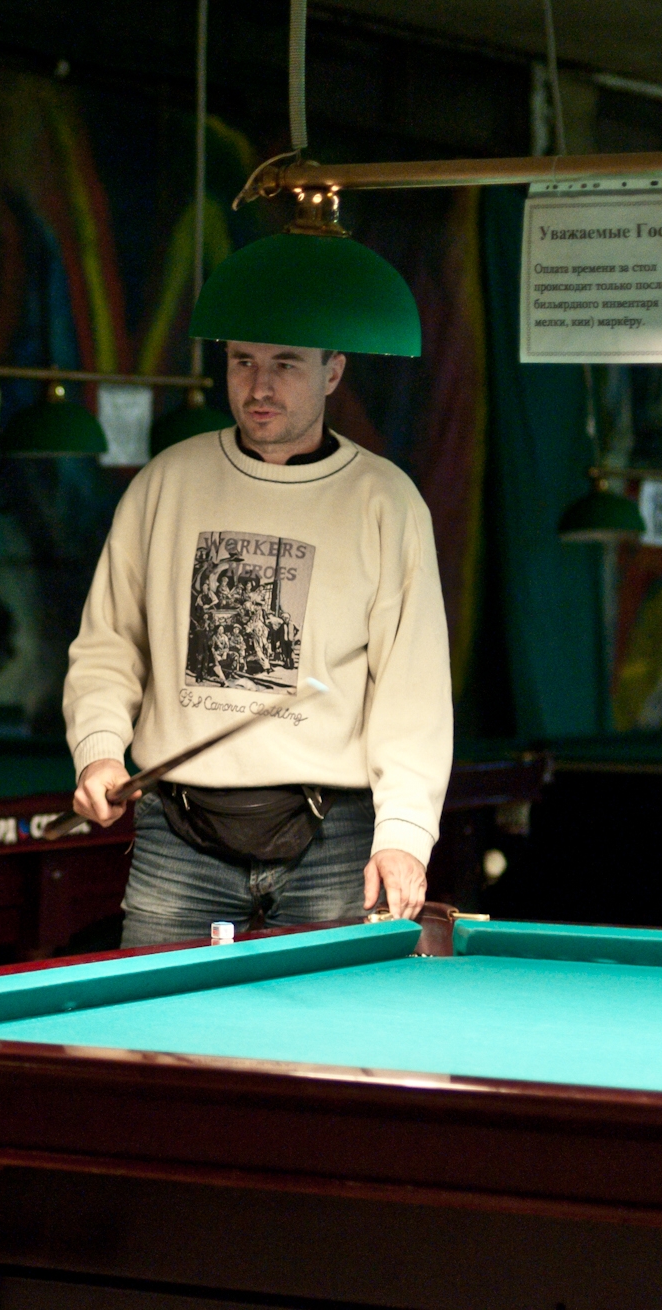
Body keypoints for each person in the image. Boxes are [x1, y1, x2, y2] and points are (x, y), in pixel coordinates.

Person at [64, 342, 452, 942]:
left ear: (333, 371)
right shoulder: (167, 481)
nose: (260, 386)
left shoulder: (385, 499)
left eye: (285, 365)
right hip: (179, 832)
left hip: (332, 831)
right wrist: (99, 752)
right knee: (157, 1005)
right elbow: (108, 646)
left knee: (327, 1007)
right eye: (243, 362)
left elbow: (413, 690)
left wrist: (404, 835)